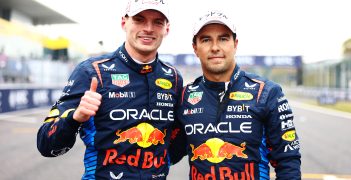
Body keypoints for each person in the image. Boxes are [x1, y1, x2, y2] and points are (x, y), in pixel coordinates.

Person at [37, 0, 183, 179]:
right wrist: (75, 118)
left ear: (166, 29)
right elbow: (46, 145)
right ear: (124, 23)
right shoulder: (91, 71)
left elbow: (174, 147)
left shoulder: (173, 77)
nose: (149, 28)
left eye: (158, 22)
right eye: (139, 19)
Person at [170, 10, 301, 179]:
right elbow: (167, 154)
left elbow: (288, 162)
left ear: (235, 44)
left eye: (223, 39)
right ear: (195, 48)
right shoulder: (185, 97)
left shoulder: (267, 92)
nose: (215, 47)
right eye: (206, 39)